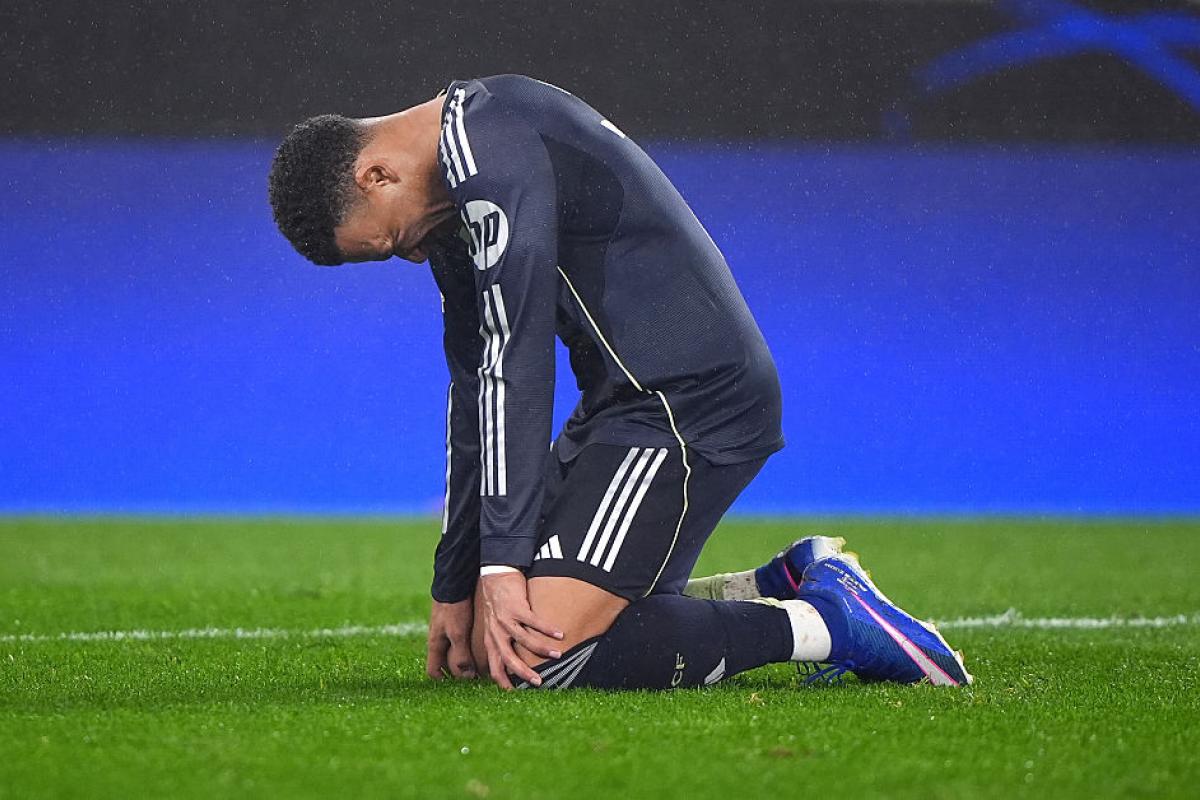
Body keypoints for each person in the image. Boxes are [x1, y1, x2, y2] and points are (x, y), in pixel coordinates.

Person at [267, 74, 972, 690]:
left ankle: (827, 623)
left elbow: (518, 356)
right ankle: (776, 583)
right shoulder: (455, 197)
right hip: (623, 407)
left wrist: (502, 564)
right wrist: (457, 579)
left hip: (691, 404)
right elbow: (478, 380)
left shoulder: (490, 141)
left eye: (389, 242)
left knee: (544, 655)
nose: (412, 257)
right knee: (500, 643)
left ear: (377, 176)